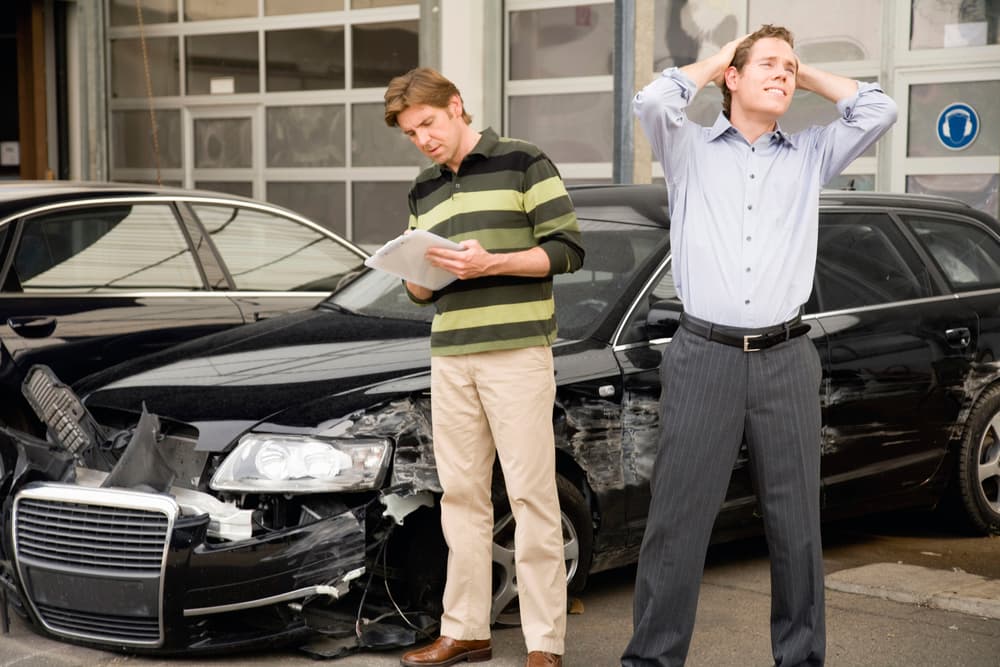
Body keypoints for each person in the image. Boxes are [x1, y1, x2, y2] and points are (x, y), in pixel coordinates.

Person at [621, 25, 897, 667]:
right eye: (767, 64)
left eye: (791, 66)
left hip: (785, 359)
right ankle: (652, 661)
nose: (783, 72)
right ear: (731, 79)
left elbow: (877, 109)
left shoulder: (810, 154)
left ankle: (800, 658)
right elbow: (651, 102)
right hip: (703, 356)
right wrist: (721, 58)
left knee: (797, 525)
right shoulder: (687, 148)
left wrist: (797, 74)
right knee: (677, 524)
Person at [383, 67, 585, 667]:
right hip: (450, 355)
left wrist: (489, 263)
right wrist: (417, 275)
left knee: (531, 496)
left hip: (518, 352)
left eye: (427, 124)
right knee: (462, 497)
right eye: (410, 133)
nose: (422, 139)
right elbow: (423, 291)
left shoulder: (524, 161)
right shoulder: (422, 189)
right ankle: (466, 629)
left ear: (456, 107)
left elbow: (567, 250)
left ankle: (545, 642)